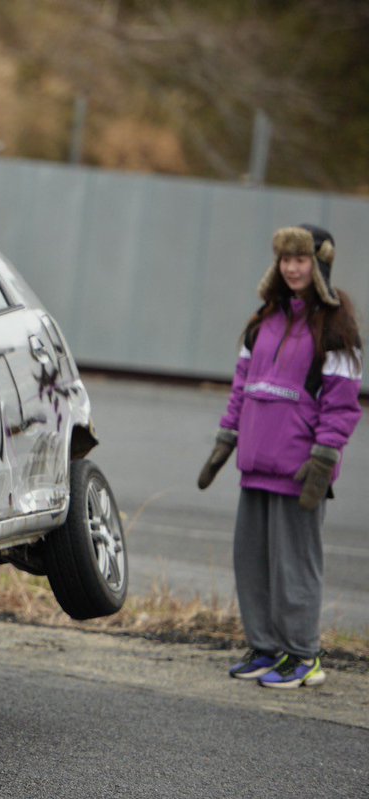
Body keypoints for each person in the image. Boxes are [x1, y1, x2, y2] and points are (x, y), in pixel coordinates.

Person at [198, 224, 362, 689]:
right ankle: (267, 647)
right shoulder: (262, 322)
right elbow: (241, 387)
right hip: (257, 464)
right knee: (252, 563)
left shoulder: (336, 328)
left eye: (301, 260)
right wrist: (225, 441)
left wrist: (324, 459)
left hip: (299, 470)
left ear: (320, 265)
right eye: (286, 260)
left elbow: (342, 404)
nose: (292, 268)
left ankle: (303, 656)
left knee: (295, 566)